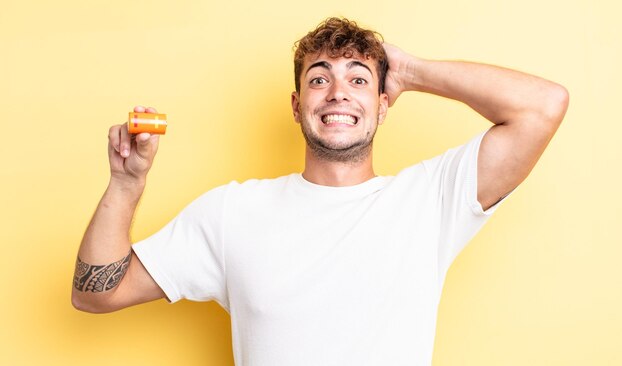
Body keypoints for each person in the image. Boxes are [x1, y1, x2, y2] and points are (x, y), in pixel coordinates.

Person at [72, 17, 568, 366]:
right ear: (296, 105)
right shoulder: (232, 212)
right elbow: (97, 293)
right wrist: (127, 183)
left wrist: (410, 72)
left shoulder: (429, 201)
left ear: (383, 104)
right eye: (319, 79)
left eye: (358, 79)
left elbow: (543, 106)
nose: (338, 93)